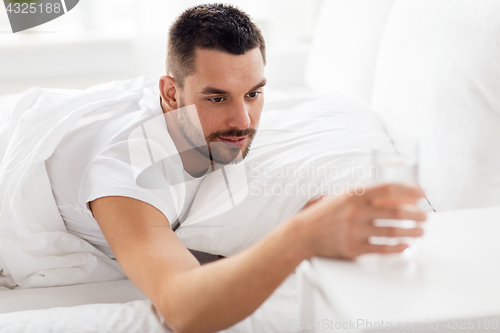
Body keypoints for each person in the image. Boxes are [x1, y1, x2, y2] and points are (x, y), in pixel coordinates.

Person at [45, 4, 427, 333]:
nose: (242, 120)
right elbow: (184, 310)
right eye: (217, 97)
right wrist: (302, 235)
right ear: (170, 92)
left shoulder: (201, 122)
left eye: (253, 93)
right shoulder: (127, 172)